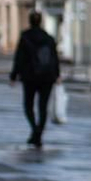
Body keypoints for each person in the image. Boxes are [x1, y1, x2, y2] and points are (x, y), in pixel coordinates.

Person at [10, 12, 61, 148]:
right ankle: (38, 133)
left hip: (29, 76)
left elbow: (19, 57)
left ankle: (35, 130)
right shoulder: (48, 38)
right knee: (43, 107)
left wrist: (13, 75)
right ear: (41, 21)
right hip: (47, 76)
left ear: (30, 21)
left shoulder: (25, 36)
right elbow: (54, 57)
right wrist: (57, 75)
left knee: (28, 105)